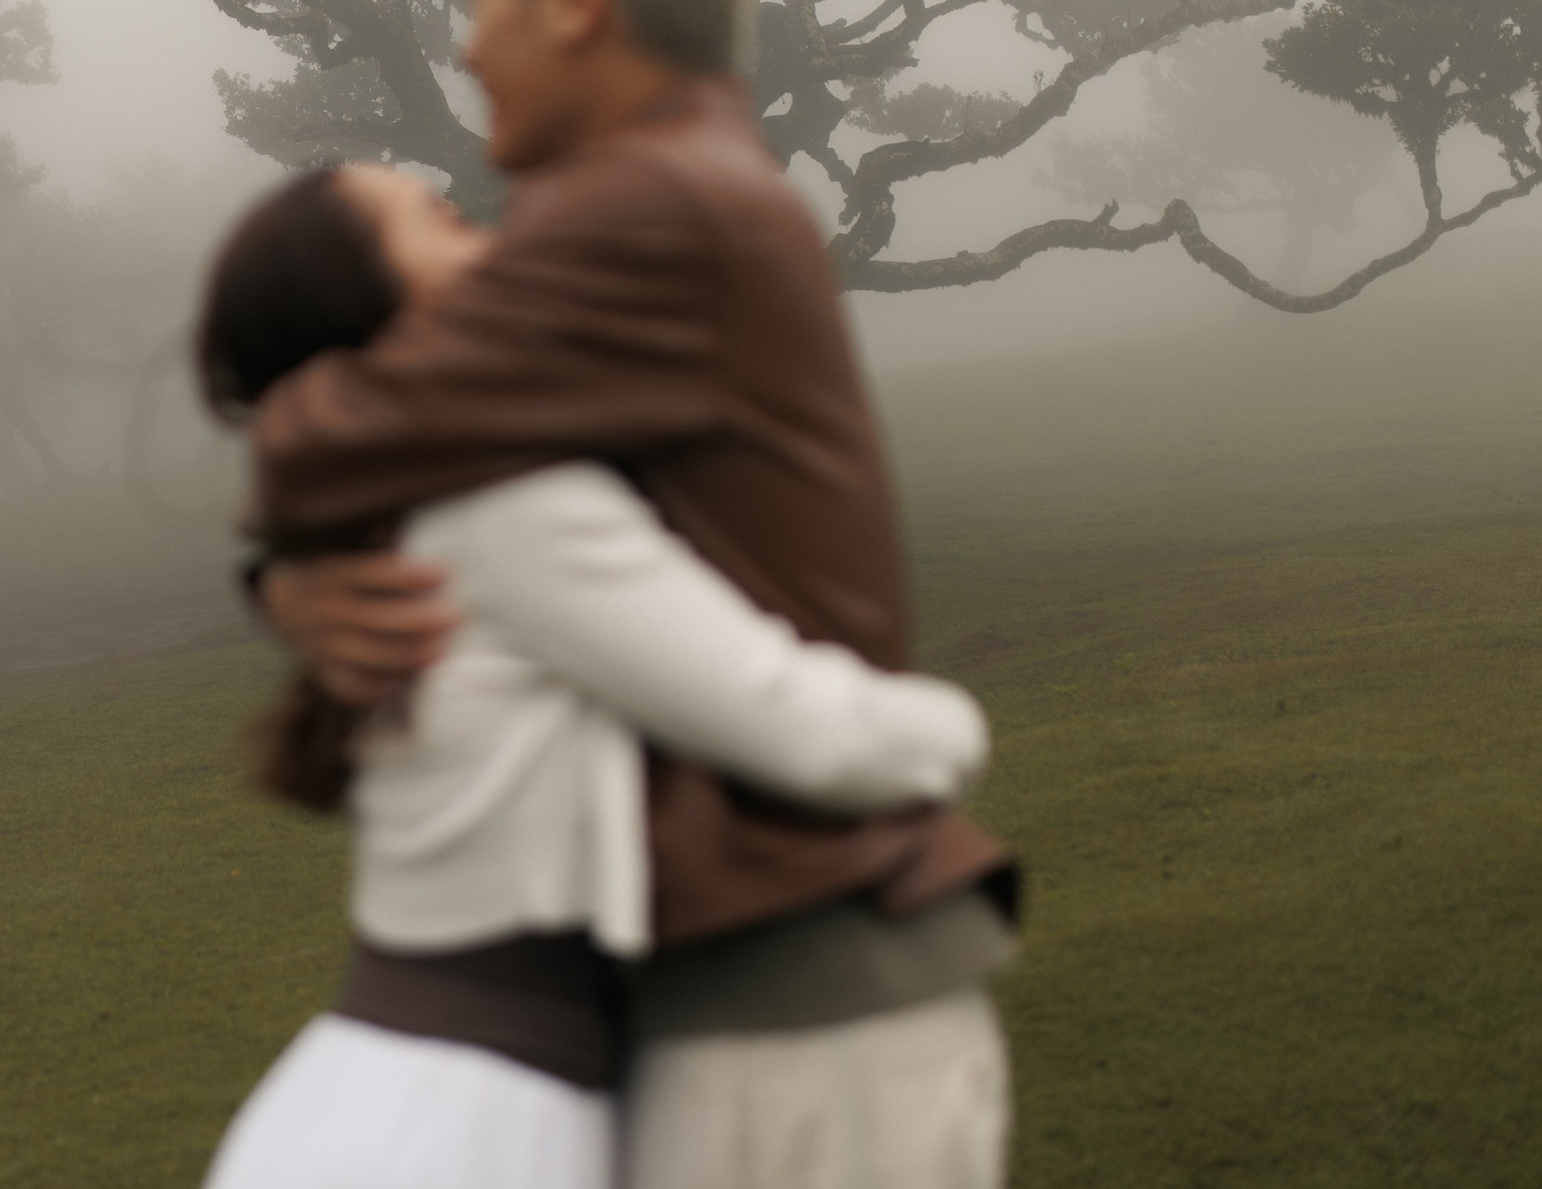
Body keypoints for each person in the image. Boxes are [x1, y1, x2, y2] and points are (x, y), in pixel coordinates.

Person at [249, 0, 1019, 1189]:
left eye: (481, 1)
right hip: (770, 985)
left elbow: (325, 433)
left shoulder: (642, 208)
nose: (470, 52)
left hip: (796, 1000)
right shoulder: (681, 193)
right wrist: (293, 580)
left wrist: (297, 512)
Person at [193, 162, 993, 1189]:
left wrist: (274, 581)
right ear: (373, 304)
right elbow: (806, 733)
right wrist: (952, 726)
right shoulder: (504, 507)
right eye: (441, 219)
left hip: (404, 1091)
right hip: (467, 1122)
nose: (488, 233)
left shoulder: (402, 508)